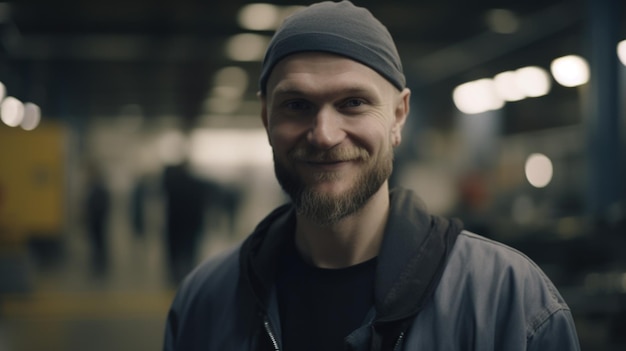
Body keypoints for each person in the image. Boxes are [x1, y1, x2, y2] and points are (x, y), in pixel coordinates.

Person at [163, 1, 580, 350]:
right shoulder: (207, 300)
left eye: (353, 102)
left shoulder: (509, 301)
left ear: (399, 115)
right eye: (296, 105)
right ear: (265, 116)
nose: (324, 135)